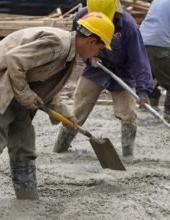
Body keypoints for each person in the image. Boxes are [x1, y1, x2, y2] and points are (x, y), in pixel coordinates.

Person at [0, 12, 115, 206]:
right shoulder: (58, 44)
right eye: (100, 47)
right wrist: (26, 95)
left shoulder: (68, 53)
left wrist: (66, 113)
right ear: (90, 41)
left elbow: (46, 86)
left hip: (18, 86)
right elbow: (13, 59)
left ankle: (27, 200)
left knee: (24, 145)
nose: (98, 54)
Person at [53, 0, 153, 158]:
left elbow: (138, 58)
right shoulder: (81, 17)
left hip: (122, 71)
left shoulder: (127, 25)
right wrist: (88, 59)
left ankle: (128, 156)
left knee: (128, 114)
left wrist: (143, 90)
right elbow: (76, 44)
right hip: (95, 67)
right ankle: (59, 149)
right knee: (77, 110)